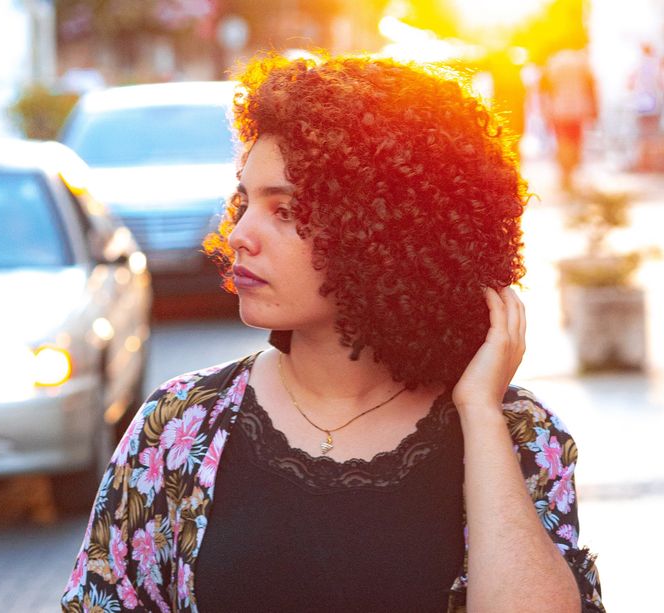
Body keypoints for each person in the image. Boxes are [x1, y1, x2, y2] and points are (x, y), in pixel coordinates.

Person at [61, 54, 605, 612]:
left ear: (383, 229)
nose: (240, 234)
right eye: (245, 201)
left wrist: (481, 414)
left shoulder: (518, 433)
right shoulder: (180, 427)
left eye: (285, 210)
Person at [539, 48, 599, 192]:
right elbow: (591, 87)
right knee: (575, 141)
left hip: (558, 109)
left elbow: (544, 90)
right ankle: (570, 171)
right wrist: (594, 109)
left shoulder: (552, 62)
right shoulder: (582, 62)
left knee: (563, 141)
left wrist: (545, 111)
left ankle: (565, 173)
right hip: (578, 108)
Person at [628, 43, 664, 172]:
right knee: (654, 134)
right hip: (654, 104)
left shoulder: (638, 65)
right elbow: (662, 84)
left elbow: (629, 83)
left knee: (642, 135)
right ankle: (653, 163)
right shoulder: (656, 65)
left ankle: (642, 163)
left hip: (640, 105)